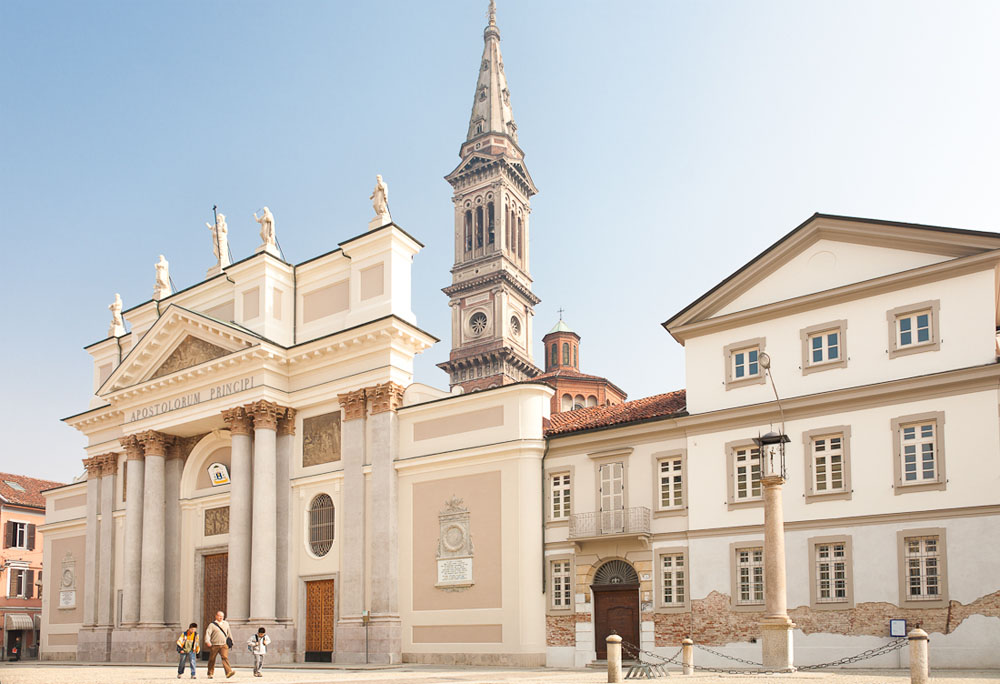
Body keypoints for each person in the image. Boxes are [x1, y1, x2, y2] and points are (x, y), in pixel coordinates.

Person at [204, 610, 234, 679]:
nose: (221, 617)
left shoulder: (226, 623)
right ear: (216, 616)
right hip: (215, 645)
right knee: (212, 659)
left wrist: (231, 641)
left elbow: (229, 632)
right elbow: (208, 633)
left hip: (224, 644)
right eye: (220, 616)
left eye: (222, 616)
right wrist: (207, 641)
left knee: (225, 658)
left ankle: (228, 672)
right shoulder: (212, 625)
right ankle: (210, 673)